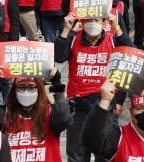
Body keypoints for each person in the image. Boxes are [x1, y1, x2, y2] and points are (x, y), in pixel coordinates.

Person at [55, 12, 134, 162]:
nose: (92, 23)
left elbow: (130, 54)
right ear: (82, 24)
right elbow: (59, 56)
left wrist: (120, 100)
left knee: (104, 153)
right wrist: (67, 30)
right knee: (76, 155)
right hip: (78, 106)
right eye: (88, 20)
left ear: (104, 23)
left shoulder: (113, 40)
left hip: (104, 106)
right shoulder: (74, 38)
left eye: (96, 20)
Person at [0, 66, 72, 162]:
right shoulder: (5, 113)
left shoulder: (49, 113)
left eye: (31, 87)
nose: (26, 91)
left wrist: (58, 89)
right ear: (15, 90)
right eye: (21, 87)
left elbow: (64, 120)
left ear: (39, 90)